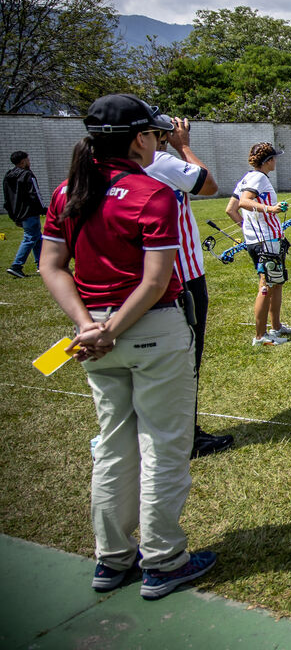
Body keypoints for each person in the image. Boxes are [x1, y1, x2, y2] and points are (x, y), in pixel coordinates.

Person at [39, 93, 216, 599]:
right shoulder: (150, 192)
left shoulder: (67, 191)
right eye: (156, 135)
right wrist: (111, 327)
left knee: (113, 444)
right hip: (147, 328)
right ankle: (164, 561)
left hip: (95, 333)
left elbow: (52, 266)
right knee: (163, 445)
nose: (159, 141)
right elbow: (156, 281)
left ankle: (112, 557)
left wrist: (90, 326)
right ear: (140, 139)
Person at [144, 116, 234, 457]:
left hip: (147, 276)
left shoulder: (109, 169)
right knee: (186, 357)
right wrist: (183, 146)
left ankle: (159, 431)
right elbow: (208, 184)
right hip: (182, 276)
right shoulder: (161, 162)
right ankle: (185, 436)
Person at [225, 142, 291, 346]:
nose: (276, 161)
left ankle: (276, 327)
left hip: (261, 240)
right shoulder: (259, 178)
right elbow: (244, 202)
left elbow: (230, 209)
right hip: (266, 241)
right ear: (268, 161)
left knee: (276, 282)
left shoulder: (247, 177)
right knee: (266, 285)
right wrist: (271, 209)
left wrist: (247, 228)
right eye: (274, 158)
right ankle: (260, 336)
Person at [3, 150, 47, 277]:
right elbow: (35, 193)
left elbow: (7, 199)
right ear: (23, 162)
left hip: (19, 214)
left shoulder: (8, 176)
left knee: (37, 238)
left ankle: (41, 265)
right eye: (28, 160)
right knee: (30, 238)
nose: (29, 162)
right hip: (30, 212)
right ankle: (16, 266)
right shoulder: (27, 174)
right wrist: (44, 209)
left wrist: (14, 216)